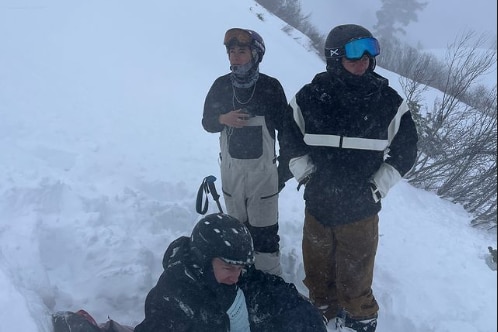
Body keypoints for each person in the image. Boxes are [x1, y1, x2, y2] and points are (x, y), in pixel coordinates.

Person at [280, 24, 418, 331]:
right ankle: (322, 311)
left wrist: (375, 188)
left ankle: (360, 317)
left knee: (355, 277)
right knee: (317, 271)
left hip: (360, 210)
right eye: (355, 52)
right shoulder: (310, 98)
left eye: (370, 50)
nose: (364, 60)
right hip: (318, 204)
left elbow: (406, 151)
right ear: (334, 56)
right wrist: (308, 177)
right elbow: (289, 140)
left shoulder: (388, 102)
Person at [134, 213, 327, 332]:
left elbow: (279, 296)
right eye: (228, 268)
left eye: (240, 268)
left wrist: (307, 319)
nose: (235, 276)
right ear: (204, 260)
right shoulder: (176, 295)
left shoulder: (238, 277)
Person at [202, 28, 292, 276]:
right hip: (231, 174)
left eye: (241, 51)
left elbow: (286, 131)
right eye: (231, 51)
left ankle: (269, 283)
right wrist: (223, 117)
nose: (235, 56)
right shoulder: (221, 86)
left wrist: (282, 171)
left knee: (264, 233)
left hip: (263, 175)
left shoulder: (270, 87)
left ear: (256, 55)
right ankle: (239, 278)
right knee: (236, 231)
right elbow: (207, 122)